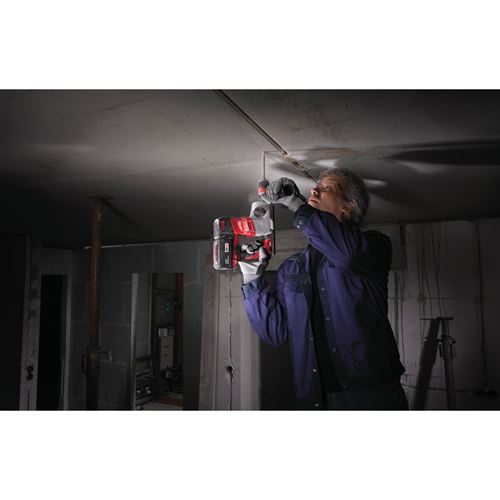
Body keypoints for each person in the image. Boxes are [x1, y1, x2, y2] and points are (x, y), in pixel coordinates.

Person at [238, 168, 408, 410]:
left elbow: (347, 254)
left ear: (348, 207)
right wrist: (252, 278)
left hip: (371, 393)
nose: (314, 191)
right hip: (317, 397)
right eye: (315, 188)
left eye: (326, 188)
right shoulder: (292, 268)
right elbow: (276, 333)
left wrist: (297, 204)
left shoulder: (373, 246)